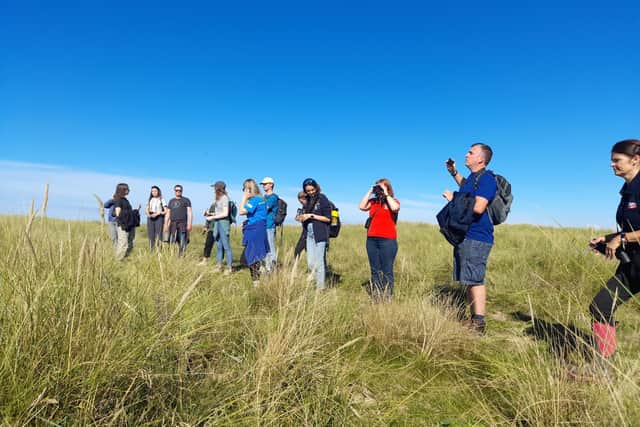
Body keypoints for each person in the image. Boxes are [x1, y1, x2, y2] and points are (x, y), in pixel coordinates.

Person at [587, 139, 640, 363]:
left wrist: (622, 238)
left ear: (635, 160)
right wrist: (607, 239)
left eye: (617, 160)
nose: (612, 164)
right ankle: (605, 369)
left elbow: (628, 234)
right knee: (601, 306)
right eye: (611, 160)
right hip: (633, 264)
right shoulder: (627, 191)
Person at [443, 143, 497, 334]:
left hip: (477, 237)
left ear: (481, 159)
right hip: (465, 235)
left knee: (475, 280)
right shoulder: (472, 179)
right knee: (468, 279)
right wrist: (453, 172)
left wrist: (453, 199)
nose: (466, 155)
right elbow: (465, 187)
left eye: (470, 152)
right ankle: (474, 319)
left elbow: (479, 206)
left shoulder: (487, 179)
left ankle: (479, 324)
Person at [359, 178, 400, 300]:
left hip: (387, 240)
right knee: (375, 270)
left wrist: (386, 194)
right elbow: (361, 206)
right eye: (378, 187)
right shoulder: (373, 202)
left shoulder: (393, 201)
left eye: (381, 187)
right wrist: (370, 190)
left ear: (388, 188)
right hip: (371, 240)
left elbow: (395, 208)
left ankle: (387, 296)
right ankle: (377, 296)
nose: (379, 190)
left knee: (387, 270)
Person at [297, 178, 332, 290]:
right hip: (309, 233)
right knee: (310, 263)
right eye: (308, 191)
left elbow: (328, 218)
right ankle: (317, 282)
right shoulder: (307, 200)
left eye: (312, 190)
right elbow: (304, 214)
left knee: (319, 261)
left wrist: (312, 216)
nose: (311, 192)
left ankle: (320, 288)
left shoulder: (322, 198)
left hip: (320, 233)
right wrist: (301, 217)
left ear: (316, 188)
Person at [239, 178, 269, 286]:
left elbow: (241, 211)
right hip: (259, 227)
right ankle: (261, 269)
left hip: (255, 229)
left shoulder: (255, 200)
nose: (243, 191)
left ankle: (256, 281)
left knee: (252, 255)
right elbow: (260, 215)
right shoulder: (261, 199)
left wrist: (244, 198)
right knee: (255, 253)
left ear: (248, 189)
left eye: (244, 189)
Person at [200, 181, 233, 274]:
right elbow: (219, 212)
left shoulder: (225, 198)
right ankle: (218, 266)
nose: (214, 190)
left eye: (215, 188)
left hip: (223, 224)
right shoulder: (218, 199)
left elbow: (225, 213)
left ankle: (229, 268)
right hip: (217, 224)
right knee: (218, 246)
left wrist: (212, 217)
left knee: (226, 246)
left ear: (219, 188)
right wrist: (210, 214)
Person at [164, 184, 192, 256]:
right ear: (174, 191)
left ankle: (181, 256)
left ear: (182, 191)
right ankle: (172, 255)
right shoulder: (171, 201)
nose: (178, 191)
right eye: (176, 190)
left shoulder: (186, 200)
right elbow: (168, 213)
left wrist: (189, 224)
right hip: (173, 224)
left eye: (180, 190)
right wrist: (166, 224)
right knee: (171, 241)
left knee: (182, 241)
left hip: (183, 223)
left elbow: (189, 212)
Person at [112, 183, 136, 260]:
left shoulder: (125, 200)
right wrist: (129, 213)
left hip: (129, 224)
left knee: (129, 243)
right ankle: (118, 261)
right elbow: (118, 213)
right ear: (122, 190)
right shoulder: (118, 199)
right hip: (123, 225)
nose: (128, 190)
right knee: (123, 243)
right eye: (127, 189)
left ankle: (125, 259)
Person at [261, 177, 279, 271]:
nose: (264, 186)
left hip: (270, 225)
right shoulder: (264, 197)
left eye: (265, 184)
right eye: (263, 184)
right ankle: (267, 267)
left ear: (271, 184)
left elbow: (265, 208)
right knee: (265, 247)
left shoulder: (273, 197)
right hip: (263, 224)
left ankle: (272, 268)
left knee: (270, 246)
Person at [145, 185, 166, 250]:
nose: (154, 192)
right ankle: (152, 250)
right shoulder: (149, 199)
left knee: (158, 235)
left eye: (155, 191)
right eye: (152, 191)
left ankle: (159, 250)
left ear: (158, 191)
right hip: (150, 217)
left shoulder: (161, 199)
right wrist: (148, 214)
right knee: (151, 235)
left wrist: (158, 213)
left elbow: (166, 210)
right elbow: (146, 208)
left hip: (159, 217)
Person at [294, 191, 308, 259]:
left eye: (302, 201)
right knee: (297, 251)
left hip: (308, 232)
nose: (301, 203)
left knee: (298, 250)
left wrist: (303, 218)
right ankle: (295, 267)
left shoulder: (310, 206)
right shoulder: (303, 207)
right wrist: (298, 218)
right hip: (305, 231)